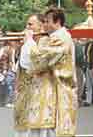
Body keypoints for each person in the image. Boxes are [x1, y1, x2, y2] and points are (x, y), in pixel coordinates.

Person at [16, 8, 78, 137]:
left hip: (56, 92)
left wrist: (29, 42)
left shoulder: (62, 38)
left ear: (58, 22)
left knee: (48, 131)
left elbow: (40, 60)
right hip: (45, 90)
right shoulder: (51, 38)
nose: (44, 25)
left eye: (47, 21)